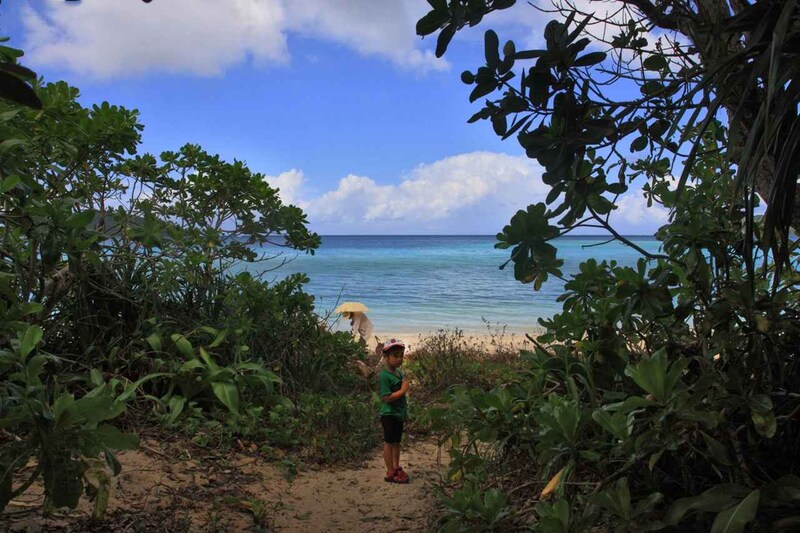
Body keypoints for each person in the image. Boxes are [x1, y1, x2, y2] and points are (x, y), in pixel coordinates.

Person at [378, 339, 410, 483]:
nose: (399, 359)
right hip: (389, 414)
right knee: (389, 442)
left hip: (398, 413)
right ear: (386, 357)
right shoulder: (384, 376)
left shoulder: (399, 373)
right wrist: (403, 390)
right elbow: (386, 398)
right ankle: (390, 471)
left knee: (397, 441)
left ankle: (396, 466)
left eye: (401, 355)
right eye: (395, 356)